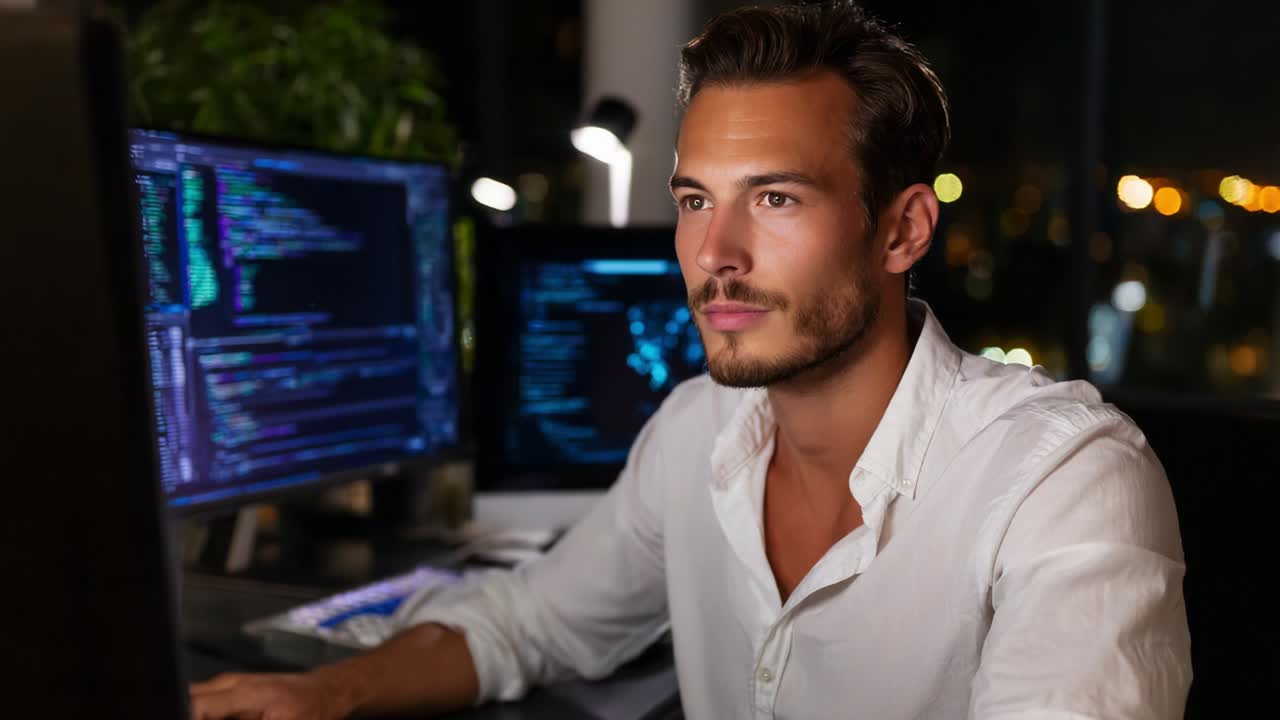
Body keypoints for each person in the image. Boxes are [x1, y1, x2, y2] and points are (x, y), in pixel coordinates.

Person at [191, 3, 1192, 718]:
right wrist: (326, 691)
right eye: (694, 200)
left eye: (775, 198)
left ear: (902, 230)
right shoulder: (695, 431)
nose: (715, 254)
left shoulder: (1063, 480)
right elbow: (525, 622)